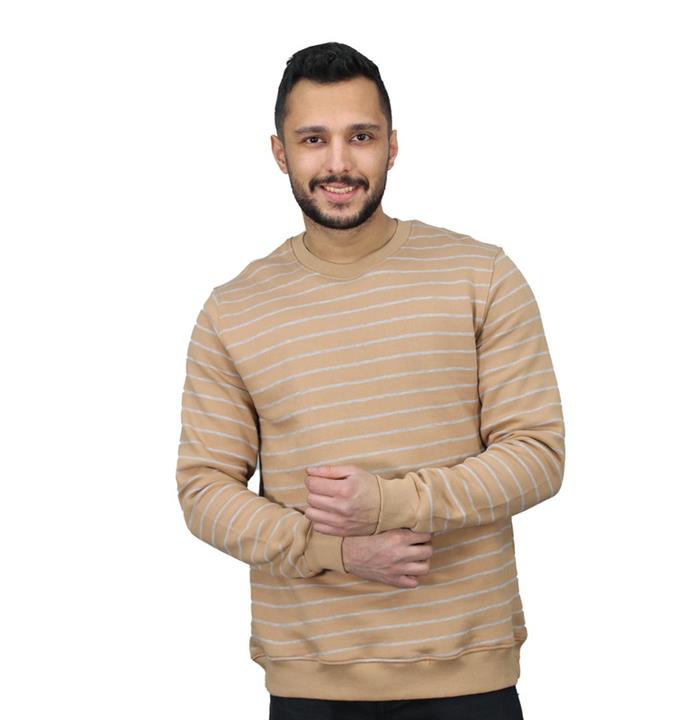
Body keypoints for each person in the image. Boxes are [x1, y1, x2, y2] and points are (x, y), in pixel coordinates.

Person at [175, 41, 565, 719]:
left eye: (360, 137)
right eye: (313, 139)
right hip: (310, 681)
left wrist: (389, 503)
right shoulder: (233, 310)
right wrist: (339, 552)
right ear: (280, 153)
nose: (338, 163)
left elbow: (537, 455)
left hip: (466, 675)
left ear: (392, 146)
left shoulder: (481, 276)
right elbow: (203, 489)